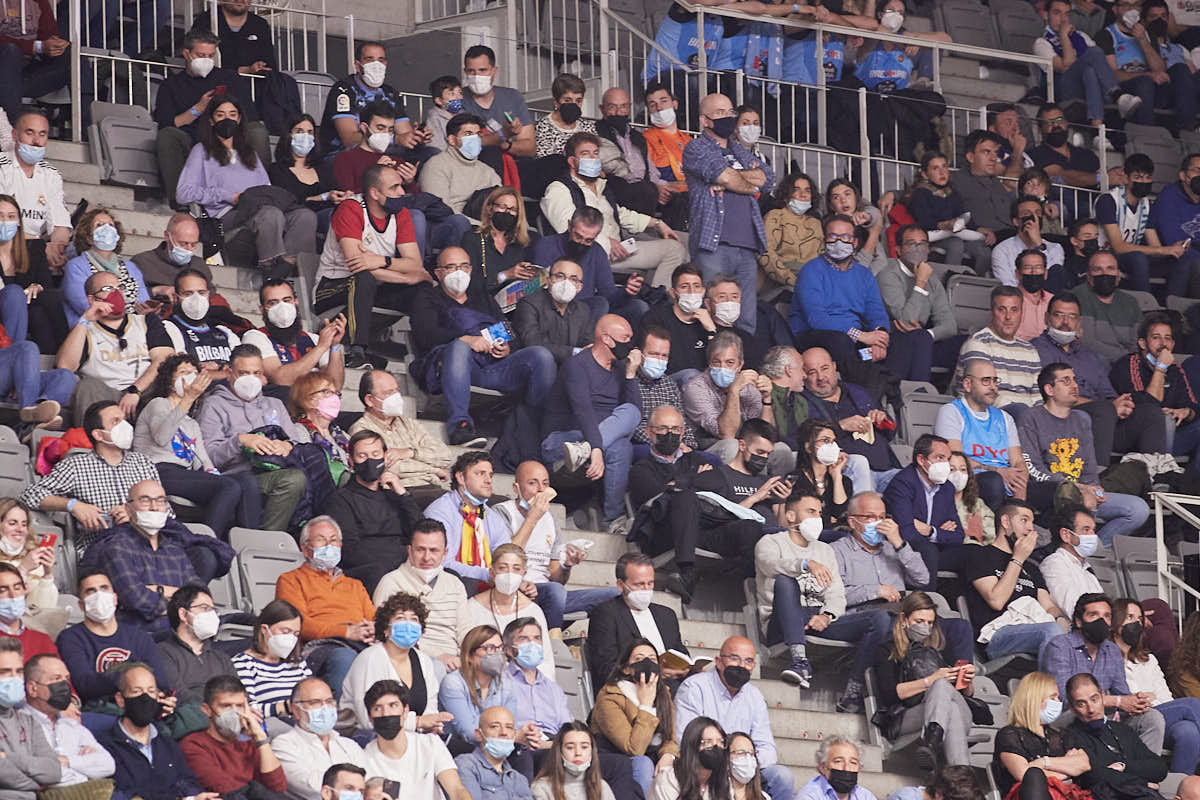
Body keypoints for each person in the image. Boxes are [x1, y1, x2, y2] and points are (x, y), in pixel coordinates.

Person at [627, 411, 782, 602]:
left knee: (749, 526)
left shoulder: (699, 461)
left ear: (683, 432)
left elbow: (717, 499)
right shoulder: (641, 469)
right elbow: (659, 502)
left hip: (701, 531)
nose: (670, 434)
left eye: (675, 429)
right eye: (663, 429)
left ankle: (758, 594)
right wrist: (691, 481)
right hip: (664, 533)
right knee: (684, 497)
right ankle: (686, 573)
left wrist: (687, 482)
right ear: (649, 433)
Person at [412, 247, 556, 445]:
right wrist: (465, 339)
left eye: (463, 267)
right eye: (451, 267)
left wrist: (506, 346)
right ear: (438, 273)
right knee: (459, 347)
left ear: (471, 270)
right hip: (451, 366)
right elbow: (425, 335)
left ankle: (535, 429)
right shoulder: (428, 297)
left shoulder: (480, 297)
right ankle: (459, 426)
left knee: (541, 355)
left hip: (492, 367)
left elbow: (507, 329)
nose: (459, 272)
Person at [177, 95, 316, 280]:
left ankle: (287, 266)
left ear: (239, 119)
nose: (228, 119)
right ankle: (270, 270)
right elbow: (183, 193)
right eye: (221, 115)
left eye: (232, 114)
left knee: (305, 216)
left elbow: (265, 187)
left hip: (257, 208)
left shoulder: (249, 153)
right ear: (211, 120)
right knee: (270, 214)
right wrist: (228, 196)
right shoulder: (201, 151)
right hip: (227, 215)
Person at [1020, 363, 1152, 544]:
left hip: (1083, 493)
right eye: (1066, 381)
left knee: (1138, 509)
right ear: (1049, 389)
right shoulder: (1031, 417)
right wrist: (1077, 488)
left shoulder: (1081, 419)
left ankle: (1095, 550)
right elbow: (1033, 469)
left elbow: (1089, 466)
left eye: (1074, 380)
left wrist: (1094, 489)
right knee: (1072, 496)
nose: (1074, 385)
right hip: (1050, 491)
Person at [80, 480, 234, 633]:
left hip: (185, 637)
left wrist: (158, 590)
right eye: (145, 501)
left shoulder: (174, 549)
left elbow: (199, 594)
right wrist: (181, 602)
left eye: (160, 501)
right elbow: (138, 599)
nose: (154, 507)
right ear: (128, 509)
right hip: (145, 637)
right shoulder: (116, 548)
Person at [196, 344, 320, 532]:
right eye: (244, 373)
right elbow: (209, 457)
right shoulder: (214, 404)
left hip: (276, 468)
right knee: (294, 479)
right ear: (229, 373)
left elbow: (295, 443)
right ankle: (266, 538)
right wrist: (241, 441)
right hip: (237, 476)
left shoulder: (275, 404)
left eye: (256, 373)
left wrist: (286, 446)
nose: (251, 379)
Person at [792, 214, 931, 383]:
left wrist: (879, 336)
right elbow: (817, 318)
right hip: (818, 337)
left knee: (915, 338)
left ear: (855, 243)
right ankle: (867, 393)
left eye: (845, 237)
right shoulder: (811, 270)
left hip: (856, 347)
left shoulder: (863, 274)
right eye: (833, 236)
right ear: (824, 240)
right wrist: (861, 336)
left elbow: (875, 310)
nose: (839, 242)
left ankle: (897, 389)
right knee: (840, 340)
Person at [1033, 292, 1166, 466]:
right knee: (1103, 410)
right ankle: (1097, 480)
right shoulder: (1035, 350)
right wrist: (1109, 406)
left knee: (1150, 413)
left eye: (1072, 316)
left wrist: (1120, 405)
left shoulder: (1090, 356)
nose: (1065, 322)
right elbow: (1049, 395)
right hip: (1065, 419)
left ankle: (1154, 481)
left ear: (1079, 321)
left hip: (1103, 421)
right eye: (1059, 315)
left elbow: (1107, 393)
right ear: (1047, 318)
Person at [315, 164, 426, 369]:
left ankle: (425, 354)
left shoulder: (400, 214)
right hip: (331, 287)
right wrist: (405, 277)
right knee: (365, 277)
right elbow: (360, 268)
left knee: (422, 288)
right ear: (374, 192)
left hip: (375, 284)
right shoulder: (350, 208)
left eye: (401, 186)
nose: (402, 192)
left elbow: (415, 263)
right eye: (394, 187)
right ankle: (357, 352)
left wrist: (384, 261)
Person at [542, 132, 685, 289]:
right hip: (587, 255)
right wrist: (607, 242)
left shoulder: (600, 185)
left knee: (678, 246)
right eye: (585, 154)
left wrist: (658, 223)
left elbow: (620, 214)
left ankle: (655, 296)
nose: (592, 158)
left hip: (620, 250)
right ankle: (659, 301)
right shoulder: (559, 190)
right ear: (572, 161)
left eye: (595, 153)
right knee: (673, 250)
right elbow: (568, 228)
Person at [683, 93, 774, 337]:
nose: (728, 117)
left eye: (731, 112)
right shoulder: (696, 147)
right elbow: (724, 176)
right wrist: (739, 180)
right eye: (720, 113)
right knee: (711, 311)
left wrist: (733, 179)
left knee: (746, 319)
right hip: (714, 244)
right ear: (705, 120)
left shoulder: (739, 150)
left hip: (747, 245)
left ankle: (744, 368)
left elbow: (768, 179)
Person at [491, 461, 618, 631]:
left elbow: (556, 579)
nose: (540, 490)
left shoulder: (550, 519)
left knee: (614, 595)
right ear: (516, 488)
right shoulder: (501, 512)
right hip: (514, 590)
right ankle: (552, 643)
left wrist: (567, 565)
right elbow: (504, 556)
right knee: (555, 591)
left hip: (547, 592)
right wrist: (532, 518)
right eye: (532, 483)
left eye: (545, 484)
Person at [541, 314, 640, 528]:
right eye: (626, 337)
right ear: (607, 339)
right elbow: (583, 411)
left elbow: (633, 412)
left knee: (629, 421)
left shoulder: (620, 369)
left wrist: (631, 375)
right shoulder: (577, 366)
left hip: (586, 446)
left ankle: (611, 520)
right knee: (619, 446)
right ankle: (613, 517)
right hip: (562, 442)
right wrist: (596, 448)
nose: (631, 344)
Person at [1041, 593, 1165, 751]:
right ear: (1079, 621)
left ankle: (1145, 772)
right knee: (1084, 714)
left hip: (1105, 717)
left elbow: (1122, 692)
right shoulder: (1060, 646)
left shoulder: (1112, 650)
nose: (1102, 621)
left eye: (1107, 616)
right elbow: (1066, 700)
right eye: (1094, 615)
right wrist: (1116, 701)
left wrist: (1135, 701)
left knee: (1152, 718)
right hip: (1068, 716)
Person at [674, 636, 792, 800]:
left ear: (753, 666)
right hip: (704, 765)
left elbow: (767, 747)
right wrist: (726, 763)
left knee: (781, 776)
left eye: (748, 661)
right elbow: (685, 741)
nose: (742, 666)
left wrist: (743, 761)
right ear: (719, 661)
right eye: (735, 658)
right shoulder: (694, 688)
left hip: (743, 766)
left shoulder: (754, 696)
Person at [20, 402, 161, 539]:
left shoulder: (143, 463)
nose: (125, 426)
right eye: (116, 421)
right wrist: (72, 505)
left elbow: (167, 512)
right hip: (103, 546)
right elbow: (30, 495)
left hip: (147, 542)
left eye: (124, 420)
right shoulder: (76, 466)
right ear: (98, 434)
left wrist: (136, 513)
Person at [152, 28, 260, 204]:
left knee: (258, 130)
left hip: (231, 138)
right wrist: (198, 109)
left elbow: (250, 116)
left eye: (210, 56)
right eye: (201, 55)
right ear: (187, 54)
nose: (206, 61)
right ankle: (180, 205)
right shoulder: (171, 85)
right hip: (193, 140)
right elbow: (168, 125)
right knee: (167, 136)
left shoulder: (230, 78)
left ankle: (260, 194)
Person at [871, 592, 977, 772]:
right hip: (909, 715)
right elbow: (890, 695)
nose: (925, 627)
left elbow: (965, 694)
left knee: (946, 693)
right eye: (919, 621)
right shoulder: (887, 650)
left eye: (929, 623)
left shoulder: (942, 647)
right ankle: (962, 780)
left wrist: (966, 682)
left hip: (956, 707)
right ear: (904, 618)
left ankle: (931, 741)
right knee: (947, 701)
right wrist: (931, 680)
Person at [275, 516, 377, 700]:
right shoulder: (290, 580)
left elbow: (374, 618)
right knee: (344, 656)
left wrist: (372, 629)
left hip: (359, 643)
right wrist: (346, 632)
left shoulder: (355, 585)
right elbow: (299, 625)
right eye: (321, 540)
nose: (329, 545)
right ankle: (340, 720)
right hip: (318, 648)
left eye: (333, 540)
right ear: (305, 549)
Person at [55, 270, 174, 426]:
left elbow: (164, 359)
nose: (117, 293)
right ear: (92, 299)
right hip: (106, 398)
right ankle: (93, 444)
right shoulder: (84, 329)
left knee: (174, 378)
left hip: (144, 393)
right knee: (86, 385)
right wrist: (84, 320)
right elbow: (65, 366)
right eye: (107, 289)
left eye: (120, 287)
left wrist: (135, 390)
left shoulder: (146, 321)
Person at [754, 491, 846, 689]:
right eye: (811, 512)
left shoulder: (825, 550)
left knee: (878, 621)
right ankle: (800, 662)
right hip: (781, 620)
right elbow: (770, 565)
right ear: (790, 516)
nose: (817, 518)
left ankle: (856, 690)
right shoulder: (770, 542)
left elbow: (836, 593)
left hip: (817, 618)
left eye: (819, 513)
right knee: (785, 581)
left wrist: (827, 616)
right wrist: (805, 564)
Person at [965, 499, 1071, 660]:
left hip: (1034, 628)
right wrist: (1018, 559)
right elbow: (996, 600)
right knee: (1051, 631)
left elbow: (1048, 606)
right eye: (1024, 520)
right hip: (996, 635)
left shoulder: (1032, 567)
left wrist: (1061, 619)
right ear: (1005, 522)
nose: (1030, 528)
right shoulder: (980, 555)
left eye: (1032, 522)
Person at [325, 430, 421, 593]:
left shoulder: (395, 496)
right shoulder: (341, 499)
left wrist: (403, 494)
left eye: (375, 454)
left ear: (385, 458)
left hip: (404, 565)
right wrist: (403, 553)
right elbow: (349, 550)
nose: (370, 461)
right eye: (362, 456)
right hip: (371, 570)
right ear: (351, 462)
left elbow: (421, 532)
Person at [56, 569, 170, 705]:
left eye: (104, 588)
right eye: (90, 591)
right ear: (81, 605)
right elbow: (85, 685)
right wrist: (135, 674)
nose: (99, 595)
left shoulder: (138, 636)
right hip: (100, 711)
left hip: (143, 708)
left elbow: (161, 681)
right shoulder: (70, 638)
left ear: (115, 598)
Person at [96, 663, 209, 800]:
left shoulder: (166, 743)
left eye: (151, 691)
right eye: (136, 691)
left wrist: (196, 796)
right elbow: (122, 793)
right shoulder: (105, 746)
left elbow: (186, 781)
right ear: (120, 699)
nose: (145, 698)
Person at [1114, 597, 1200, 775]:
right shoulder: (1106, 659)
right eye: (1130, 617)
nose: (1136, 623)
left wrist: (1148, 699)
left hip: (1160, 719)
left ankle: (1180, 789)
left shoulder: (1148, 660)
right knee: (1191, 705)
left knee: (1188, 732)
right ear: (1115, 621)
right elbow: (1129, 702)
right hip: (1128, 721)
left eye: (1139, 619)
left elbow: (1165, 696)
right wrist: (1146, 699)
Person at [339, 590, 445, 732]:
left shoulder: (424, 660)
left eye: (414, 619)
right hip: (371, 737)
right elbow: (368, 717)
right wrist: (418, 722)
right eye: (400, 618)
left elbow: (429, 709)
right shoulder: (370, 658)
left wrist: (433, 726)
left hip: (414, 738)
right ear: (385, 630)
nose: (408, 625)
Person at [372, 519, 469, 671]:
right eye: (420, 549)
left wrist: (468, 658)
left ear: (445, 553)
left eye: (434, 550)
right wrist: (437, 656)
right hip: (412, 657)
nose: (426, 557)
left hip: (456, 660)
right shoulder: (391, 582)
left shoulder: (455, 584)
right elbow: (385, 634)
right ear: (409, 550)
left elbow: (465, 630)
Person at [585, 554, 689, 694]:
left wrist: (689, 668)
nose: (646, 589)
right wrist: (657, 672)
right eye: (639, 584)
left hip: (673, 686)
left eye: (650, 583)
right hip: (630, 689)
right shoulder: (606, 614)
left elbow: (680, 654)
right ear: (621, 585)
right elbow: (606, 668)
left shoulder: (666, 615)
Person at [934, 358, 1028, 509]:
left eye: (995, 381)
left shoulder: (1005, 418)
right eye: (986, 381)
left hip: (1008, 481)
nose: (993, 387)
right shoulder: (951, 412)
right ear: (967, 384)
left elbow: (1018, 461)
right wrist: (998, 471)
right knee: (994, 481)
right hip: (973, 478)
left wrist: (1021, 490)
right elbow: (956, 459)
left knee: (1055, 492)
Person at [530, 207, 648, 326]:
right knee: (599, 304)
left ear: (596, 236)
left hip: (588, 312)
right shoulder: (547, 245)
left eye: (588, 240)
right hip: (554, 310)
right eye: (578, 236)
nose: (581, 243)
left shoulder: (597, 251)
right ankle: (588, 341)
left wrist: (626, 291)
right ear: (570, 226)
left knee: (639, 307)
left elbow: (608, 295)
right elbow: (536, 291)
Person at [800, 346, 896, 494]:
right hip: (845, 470)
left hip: (885, 469)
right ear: (804, 376)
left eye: (825, 368)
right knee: (859, 463)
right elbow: (806, 440)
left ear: (834, 367)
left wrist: (882, 419)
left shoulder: (857, 392)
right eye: (812, 372)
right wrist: (840, 426)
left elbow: (890, 433)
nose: (820, 377)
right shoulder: (803, 402)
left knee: (916, 480)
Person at [590, 638, 678, 795]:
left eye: (652, 659)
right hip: (617, 759)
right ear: (626, 669)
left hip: (653, 755)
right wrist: (645, 705)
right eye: (638, 659)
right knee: (644, 763)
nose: (646, 663)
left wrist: (668, 754)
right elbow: (633, 749)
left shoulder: (663, 693)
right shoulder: (610, 696)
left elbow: (670, 736)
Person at [348, 370, 450, 506]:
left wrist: (410, 452)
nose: (396, 397)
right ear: (369, 400)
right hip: (401, 492)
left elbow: (445, 455)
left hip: (433, 486)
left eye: (397, 391)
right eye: (388, 393)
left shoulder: (409, 423)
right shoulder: (362, 429)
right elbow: (389, 468)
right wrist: (435, 470)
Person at [1110, 313, 1200, 462]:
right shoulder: (1128, 364)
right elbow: (1146, 406)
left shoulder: (1175, 369)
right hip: (1136, 439)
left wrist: (1186, 412)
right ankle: (1161, 474)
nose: (1163, 343)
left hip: (1169, 435)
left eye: (1168, 338)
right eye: (1156, 337)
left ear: (1173, 344)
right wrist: (1161, 368)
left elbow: (1193, 406)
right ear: (1143, 343)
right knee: (1161, 417)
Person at [363, 678, 473, 800]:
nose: (386, 713)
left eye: (393, 705)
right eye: (377, 708)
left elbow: (457, 789)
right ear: (370, 718)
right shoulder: (363, 759)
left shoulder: (430, 744)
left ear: (405, 711)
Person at [23, 653, 116, 793]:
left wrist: (66, 761)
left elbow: (108, 765)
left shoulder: (72, 725)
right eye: (56, 679)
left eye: (66, 679)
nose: (64, 685)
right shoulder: (18, 723)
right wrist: (85, 770)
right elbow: (37, 774)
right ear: (33, 688)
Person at [180, 675, 287, 796]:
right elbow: (226, 790)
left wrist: (261, 738)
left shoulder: (251, 742)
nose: (234, 712)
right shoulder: (193, 744)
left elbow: (278, 786)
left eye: (240, 706)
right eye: (226, 706)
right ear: (207, 710)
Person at [882, 433, 966, 587]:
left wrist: (930, 531)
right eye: (939, 458)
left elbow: (958, 535)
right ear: (921, 460)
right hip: (903, 548)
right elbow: (906, 532)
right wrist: (940, 534)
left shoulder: (947, 487)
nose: (946, 464)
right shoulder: (902, 483)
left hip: (937, 546)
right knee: (928, 550)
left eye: (947, 459)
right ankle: (926, 605)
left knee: (973, 551)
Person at [1096, 153, 1188, 294]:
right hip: (1106, 255)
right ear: (1126, 178)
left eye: (1147, 178)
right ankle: (1146, 305)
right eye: (1138, 178)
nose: (1144, 182)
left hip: (1131, 257)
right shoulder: (1108, 200)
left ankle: (1174, 305)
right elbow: (1119, 247)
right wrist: (1163, 249)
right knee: (1139, 258)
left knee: (1181, 261)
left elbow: (1155, 246)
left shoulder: (1147, 205)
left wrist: (1172, 249)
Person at [1066, 673, 1169, 797]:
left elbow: (1159, 768)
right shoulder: (1071, 736)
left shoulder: (1121, 729)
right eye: (1081, 704)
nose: (1091, 709)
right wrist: (1142, 783)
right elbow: (1095, 776)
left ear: (1103, 697)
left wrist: (1123, 766)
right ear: (1072, 708)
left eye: (1094, 699)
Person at [1034, 0, 1125, 139]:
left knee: (1090, 70)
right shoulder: (1041, 43)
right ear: (1046, 15)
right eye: (1057, 13)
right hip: (1062, 90)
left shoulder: (1081, 36)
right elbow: (1065, 66)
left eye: (1067, 14)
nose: (1063, 19)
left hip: (1088, 87)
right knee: (1094, 53)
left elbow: (1100, 65)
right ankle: (1117, 95)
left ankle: (1097, 130)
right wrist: (1064, 36)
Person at [991, 671, 1090, 798]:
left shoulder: (1062, 735)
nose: (1058, 702)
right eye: (1053, 697)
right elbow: (1024, 774)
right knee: (1034, 776)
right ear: (1035, 700)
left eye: (1058, 697)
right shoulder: (1009, 735)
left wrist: (1044, 762)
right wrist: (1066, 771)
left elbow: (1083, 764)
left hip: (1062, 795)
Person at [462, 545, 556, 678]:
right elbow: (464, 653)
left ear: (524, 574)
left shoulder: (533, 611)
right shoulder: (472, 607)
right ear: (492, 572)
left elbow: (545, 661)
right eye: (502, 568)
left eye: (516, 569)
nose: (509, 574)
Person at [318, 41, 427, 155]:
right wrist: (394, 139)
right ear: (357, 65)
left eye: (381, 60)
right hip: (344, 155)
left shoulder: (390, 93)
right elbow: (349, 139)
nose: (376, 65)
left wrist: (417, 136)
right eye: (369, 59)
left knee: (429, 153)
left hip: (384, 152)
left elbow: (404, 133)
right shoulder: (344, 90)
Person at [876, 225, 961, 370]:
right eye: (911, 244)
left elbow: (950, 325)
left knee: (964, 343)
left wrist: (927, 334)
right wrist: (920, 283)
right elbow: (906, 322)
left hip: (921, 341)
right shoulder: (888, 274)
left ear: (928, 248)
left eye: (922, 244)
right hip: (890, 343)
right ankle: (918, 389)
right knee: (917, 341)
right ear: (898, 250)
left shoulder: (931, 278)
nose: (918, 248)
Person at [241, 279, 347, 395]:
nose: (282, 308)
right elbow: (281, 380)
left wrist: (335, 346)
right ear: (262, 309)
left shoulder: (313, 339)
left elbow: (336, 385)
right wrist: (320, 348)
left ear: (296, 302)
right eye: (273, 303)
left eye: (287, 300)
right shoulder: (255, 337)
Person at [422, 451, 514, 584]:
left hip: (492, 585)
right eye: (480, 474)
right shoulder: (439, 513)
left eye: (490, 475)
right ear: (460, 477)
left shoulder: (493, 517)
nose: (488, 480)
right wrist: (487, 574)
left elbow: (506, 556)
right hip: (448, 584)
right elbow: (443, 563)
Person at [952, 287, 1042, 420]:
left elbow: (1038, 397)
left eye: (1014, 310)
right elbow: (982, 393)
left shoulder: (1030, 350)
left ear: (1021, 314)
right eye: (1001, 309)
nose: (1008, 317)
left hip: (1026, 418)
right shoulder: (978, 343)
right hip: (986, 414)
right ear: (992, 313)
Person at [271, 678, 367, 800]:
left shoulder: (349, 745)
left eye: (329, 701)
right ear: (296, 710)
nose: (325, 708)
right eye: (315, 702)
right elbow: (312, 788)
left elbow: (368, 785)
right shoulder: (284, 745)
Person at [681, 330, 772, 454]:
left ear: (740, 365)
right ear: (709, 363)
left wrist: (767, 399)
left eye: (729, 363)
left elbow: (766, 435)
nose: (722, 368)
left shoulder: (749, 386)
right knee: (732, 446)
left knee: (780, 449)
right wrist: (734, 391)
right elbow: (727, 434)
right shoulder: (695, 388)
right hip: (707, 448)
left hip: (744, 445)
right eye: (716, 362)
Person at [61, 207, 150, 329]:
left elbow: (143, 303)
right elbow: (84, 306)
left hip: (132, 328)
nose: (107, 229)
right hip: (93, 330)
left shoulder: (131, 267)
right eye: (99, 225)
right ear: (89, 237)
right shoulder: (76, 266)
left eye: (110, 225)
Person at [0, 192, 64, 354]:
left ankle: (59, 359)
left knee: (40, 310)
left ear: (19, 223)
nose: (5, 221)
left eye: (11, 216)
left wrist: (38, 286)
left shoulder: (34, 248)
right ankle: (12, 358)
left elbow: (47, 285)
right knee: (14, 294)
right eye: (0, 216)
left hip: (28, 310)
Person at [231, 599, 313, 723]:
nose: (291, 638)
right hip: (273, 727)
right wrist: (285, 707)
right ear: (264, 629)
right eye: (285, 632)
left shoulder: (298, 664)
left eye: (295, 634)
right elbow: (247, 710)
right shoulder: (243, 664)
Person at [438, 624, 517, 749]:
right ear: (469, 656)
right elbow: (469, 733)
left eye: (499, 648)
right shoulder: (453, 683)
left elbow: (511, 725)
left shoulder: (506, 683)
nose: (496, 654)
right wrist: (509, 736)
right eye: (489, 648)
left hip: (497, 747)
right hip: (461, 749)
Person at [906, 152, 990, 269]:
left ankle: (979, 284)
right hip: (934, 238)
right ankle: (951, 281)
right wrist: (944, 225)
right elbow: (923, 222)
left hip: (957, 234)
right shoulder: (920, 194)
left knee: (983, 250)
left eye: (944, 166)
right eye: (935, 168)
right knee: (956, 244)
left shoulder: (953, 193)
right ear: (925, 174)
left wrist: (980, 230)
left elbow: (963, 216)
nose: (942, 172)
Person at [156, 584, 235, 705]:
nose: (212, 615)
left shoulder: (221, 658)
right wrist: (217, 709)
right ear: (183, 614)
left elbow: (238, 694)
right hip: (192, 719)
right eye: (204, 608)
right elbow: (179, 696)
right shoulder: (162, 652)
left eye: (213, 610)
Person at [639, 265, 718, 379]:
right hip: (667, 380)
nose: (691, 292)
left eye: (696, 286)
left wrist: (711, 331)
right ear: (673, 293)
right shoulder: (655, 318)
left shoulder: (708, 323)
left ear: (703, 291)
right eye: (684, 287)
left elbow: (719, 365)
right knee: (691, 375)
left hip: (702, 385)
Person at [513, 259, 594, 367]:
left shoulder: (583, 309)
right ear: (548, 281)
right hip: (536, 366)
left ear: (579, 287)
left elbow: (587, 342)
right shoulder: (529, 304)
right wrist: (575, 352)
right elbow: (532, 344)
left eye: (573, 279)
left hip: (569, 367)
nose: (566, 283)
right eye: (560, 276)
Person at [269, 114, 346, 226]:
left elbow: (336, 191)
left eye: (310, 132)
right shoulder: (278, 170)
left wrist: (344, 195)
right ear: (289, 135)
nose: (305, 136)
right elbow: (290, 202)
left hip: (334, 212)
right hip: (303, 219)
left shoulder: (324, 166)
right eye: (299, 131)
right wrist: (324, 197)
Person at [461, 45, 536, 159]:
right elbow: (462, 143)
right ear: (465, 71)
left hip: (513, 162)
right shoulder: (456, 99)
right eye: (471, 71)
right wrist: (504, 134)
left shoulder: (513, 97)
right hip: (474, 163)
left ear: (494, 71)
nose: (477, 76)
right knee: (491, 153)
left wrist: (503, 144)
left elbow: (530, 148)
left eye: (482, 70)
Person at [421, 113, 502, 215]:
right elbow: (439, 209)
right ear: (452, 140)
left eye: (477, 134)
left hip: (485, 225)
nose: (475, 138)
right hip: (452, 224)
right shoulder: (436, 166)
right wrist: (479, 226)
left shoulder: (488, 171)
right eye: (468, 134)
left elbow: (503, 202)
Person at [462, 186, 535, 298]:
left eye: (513, 209)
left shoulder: (518, 245)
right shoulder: (472, 239)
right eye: (502, 207)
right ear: (489, 209)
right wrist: (506, 275)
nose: (507, 212)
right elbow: (469, 284)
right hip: (481, 304)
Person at [160, 269, 239, 371]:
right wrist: (226, 370)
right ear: (175, 298)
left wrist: (219, 367)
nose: (196, 299)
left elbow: (244, 366)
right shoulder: (169, 327)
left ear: (208, 295)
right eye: (188, 293)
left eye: (201, 293)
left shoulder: (224, 331)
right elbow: (183, 370)